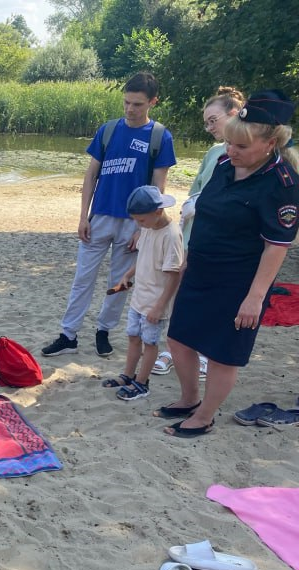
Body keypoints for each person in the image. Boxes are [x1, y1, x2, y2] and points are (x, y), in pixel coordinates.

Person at [156, 90, 299, 438]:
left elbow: (276, 246)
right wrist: (190, 255)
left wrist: (255, 297)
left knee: (222, 354)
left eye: (241, 147)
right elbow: (207, 212)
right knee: (179, 338)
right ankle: (189, 398)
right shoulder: (224, 163)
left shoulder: (283, 184)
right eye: (230, 143)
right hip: (202, 266)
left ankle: (205, 415)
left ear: (269, 144)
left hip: (240, 279)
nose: (231, 151)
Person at [41, 72, 177, 358]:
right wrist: (82, 216)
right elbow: (91, 174)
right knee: (82, 277)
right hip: (100, 216)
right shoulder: (109, 130)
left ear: (153, 101)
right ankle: (68, 335)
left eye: (138, 104)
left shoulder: (159, 136)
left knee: (119, 282)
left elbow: (158, 186)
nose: (130, 109)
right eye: (127, 102)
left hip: (135, 221)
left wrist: (146, 228)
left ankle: (104, 331)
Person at [152, 87, 245, 378]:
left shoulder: (243, 154)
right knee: (184, 291)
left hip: (221, 241)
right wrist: (191, 206)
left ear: (234, 114)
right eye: (206, 123)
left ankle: (204, 353)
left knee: (212, 297)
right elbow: (195, 191)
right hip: (194, 235)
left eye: (213, 120)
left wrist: (205, 203)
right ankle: (175, 348)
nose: (209, 128)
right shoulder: (214, 153)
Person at [101, 186, 183, 401]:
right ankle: (128, 375)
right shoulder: (148, 227)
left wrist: (159, 306)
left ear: (158, 212)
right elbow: (144, 257)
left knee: (150, 342)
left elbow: (174, 275)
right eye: (136, 220)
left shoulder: (171, 235)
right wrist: (128, 274)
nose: (138, 225)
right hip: (139, 297)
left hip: (156, 302)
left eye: (141, 220)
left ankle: (142, 382)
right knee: (133, 336)